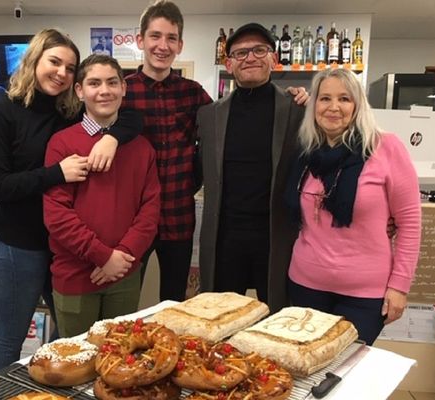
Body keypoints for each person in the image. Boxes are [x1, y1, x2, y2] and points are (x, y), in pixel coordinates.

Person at [0, 28, 141, 372]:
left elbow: (130, 117)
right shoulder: (1, 113)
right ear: (34, 60)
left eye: (70, 68)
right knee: (10, 336)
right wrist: (55, 173)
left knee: (70, 339)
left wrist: (111, 139)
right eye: (55, 62)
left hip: (65, 247)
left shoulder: (66, 111)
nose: (62, 73)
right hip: (17, 244)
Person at [283, 68, 421, 345]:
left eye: (344, 99)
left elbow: (410, 223)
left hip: (364, 295)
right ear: (314, 105)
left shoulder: (384, 147)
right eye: (324, 99)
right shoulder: (307, 151)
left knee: (344, 373)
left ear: (358, 105)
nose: (334, 107)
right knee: (306, 370)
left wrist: (399, 286)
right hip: (305, 285)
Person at [43, 54, 160, 338]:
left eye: (111, 82)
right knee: (76, 363)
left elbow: (150, 210)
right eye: (94, 83)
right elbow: (56, 215)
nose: (104, 90)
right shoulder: (61, 143)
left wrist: (124, 256)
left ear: (124, 88)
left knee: (120, 361)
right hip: (75, 275)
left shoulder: (142, 148)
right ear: (80, 91)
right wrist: (103, 256)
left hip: (125, 273)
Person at [197, 23, 307, 313]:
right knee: (219, 319)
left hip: (276, 236)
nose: (250, 57)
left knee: (279, 319)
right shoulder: (209, 116)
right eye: (241, 52)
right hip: (224, 236)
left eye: (259, 50)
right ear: (229, 63)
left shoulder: (298, 109)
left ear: (273, 58)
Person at [124, 0, 213, 302]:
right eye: (155, 36)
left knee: (174, 302)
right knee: (124, 300)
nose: (163, 45)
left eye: (171, 38)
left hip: (178, 217)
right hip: (131, 219)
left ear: (180, 44)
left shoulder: (193, 92)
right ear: (140, 40)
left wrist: (291, 99)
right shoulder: (122, 92)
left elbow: (224, 129)